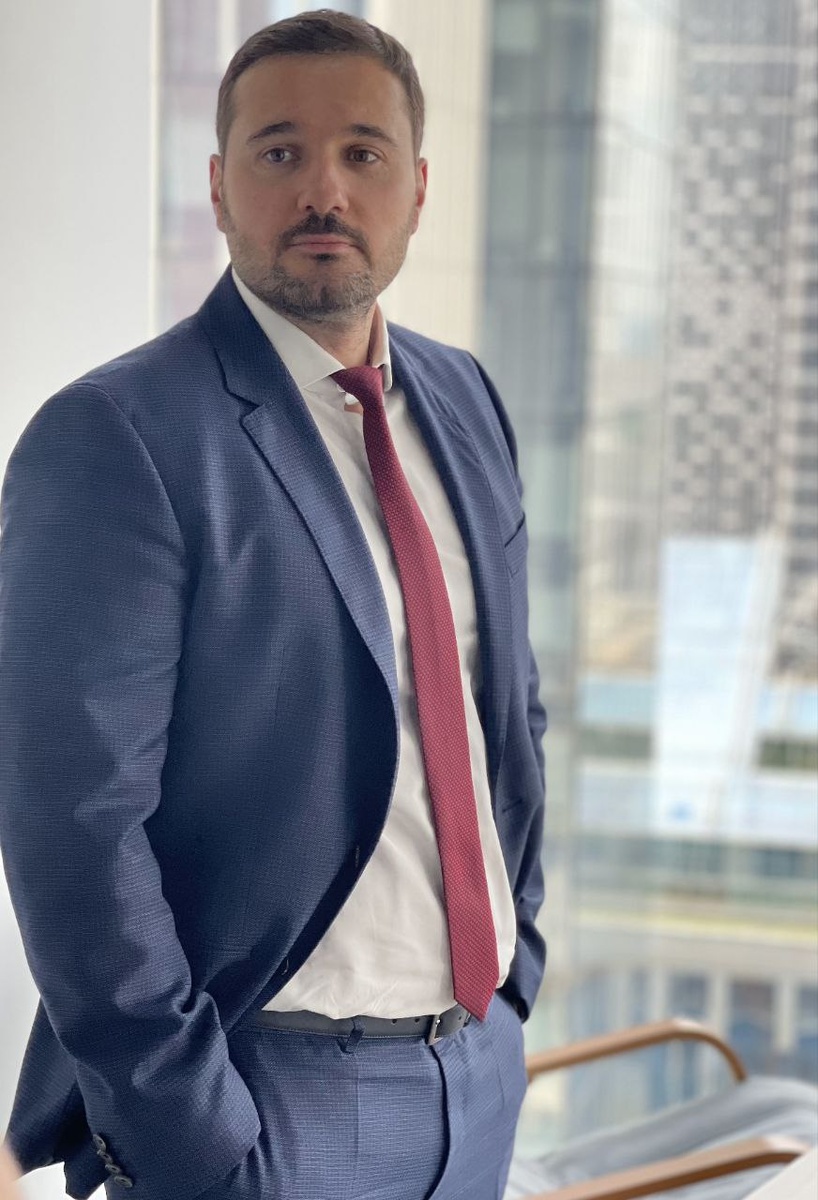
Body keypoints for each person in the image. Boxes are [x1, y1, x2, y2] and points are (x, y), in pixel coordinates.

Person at [0, 10, 546, 1200]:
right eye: (279, 151)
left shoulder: (464, 398)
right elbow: (72, 823)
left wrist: (516, 973)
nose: (323, 191)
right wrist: (187, 1131)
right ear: (218, 185)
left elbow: (503, 710)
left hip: (477, 1076)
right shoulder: (119, 437)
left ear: (416, 188)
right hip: (267, 1099)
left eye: (361, 153)